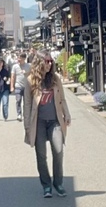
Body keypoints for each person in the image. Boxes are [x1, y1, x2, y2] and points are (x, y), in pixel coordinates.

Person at [23, 52, 71, 197]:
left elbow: (62, 98)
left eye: (51, 61)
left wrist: (67, 114)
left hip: (55, 121)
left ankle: (58, 183)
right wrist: (27, 125)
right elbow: (27, 104)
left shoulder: (55, 79)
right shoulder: (31, 80)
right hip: (38, 122)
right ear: (39, 62)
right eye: (47, 61)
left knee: (58, 151)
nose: (50, 64)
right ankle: (46, 185)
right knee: (41, 154)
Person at [10, 52, 30, 122]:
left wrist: (26, 73)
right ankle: (19, 114)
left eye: (20, 57)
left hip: (26, 86)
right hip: (18, 86)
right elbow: (12, 76)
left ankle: (25, 114)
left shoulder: (28, 66)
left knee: (26, 102)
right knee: (18, 100)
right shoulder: (15, 66)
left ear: (24, 58)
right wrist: (12, 86)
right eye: (18, 57)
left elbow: (32, 75)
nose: (18, 59)